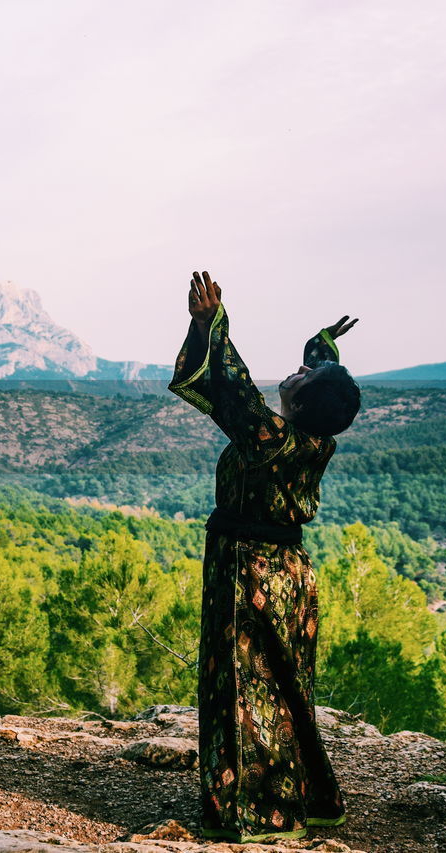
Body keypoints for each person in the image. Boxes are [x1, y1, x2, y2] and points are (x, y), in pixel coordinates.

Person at [168, 270, 361, 843]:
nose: (296, 373)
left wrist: (210, 324)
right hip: (289, 578)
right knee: (285, 686)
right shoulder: (312, 438)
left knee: (240, 682)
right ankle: (310, 795)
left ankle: (255, 810)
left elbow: (233, 389)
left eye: (303, 376)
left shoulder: (270, 437)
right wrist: (323, 350)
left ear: (301, 402)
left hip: (247, 571)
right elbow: (322, 390)